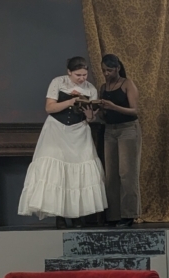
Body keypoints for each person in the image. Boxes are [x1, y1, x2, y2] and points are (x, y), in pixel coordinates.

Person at [18, 56, 107, 228]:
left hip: (79, 132)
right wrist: (71, 101)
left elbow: (90, 118)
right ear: (69, 72)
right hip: (56, 131)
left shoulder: (90, 89)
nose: (82, 78)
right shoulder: (58, 83)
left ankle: (77, 216)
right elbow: (49, 108)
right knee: (57, 173)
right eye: (78, 75)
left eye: (84, 75)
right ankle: (60, 216)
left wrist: (89, 114)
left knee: (78, 173)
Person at [97, 54, 141, 227]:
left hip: (127, 129)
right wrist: (99, 109)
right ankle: (113, 215)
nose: (106, 74)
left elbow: (135, 111)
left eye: (109, 70)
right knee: (111, 175)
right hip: (110, 130)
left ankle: (129, 214)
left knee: (127, 172)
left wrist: (113, 106)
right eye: (103, 71)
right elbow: (104, 114)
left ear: (117, 68)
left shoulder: (127, 84)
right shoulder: (103, 87)